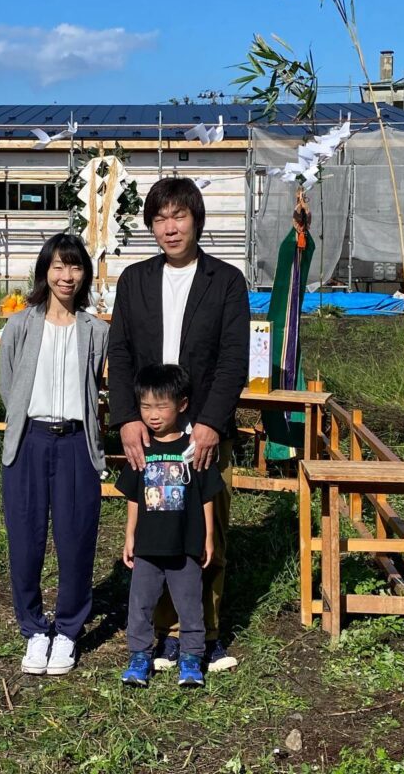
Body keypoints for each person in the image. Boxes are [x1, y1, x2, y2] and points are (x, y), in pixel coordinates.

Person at [108, 176, 250, 672]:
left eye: (179, 216)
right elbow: (120, 354)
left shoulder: (225, 281)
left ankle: (204, 634)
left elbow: (233, 360)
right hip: (152, 431)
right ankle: (164, 634)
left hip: (203, 430)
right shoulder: (135, 281)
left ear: (196, 220)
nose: (170, 228)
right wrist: (127, 419)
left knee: (207, 532)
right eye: (160, 219)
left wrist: (210, 421)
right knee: (157, 528)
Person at [0, 233, 110, 676]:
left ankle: (66, 630)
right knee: (25, 539)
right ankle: (33, 628)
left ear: (85, 274)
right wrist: (26, 424)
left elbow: (98, 386)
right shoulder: (20, 325)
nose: (67, 275)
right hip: (29, 440)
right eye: (58, 266)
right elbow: (9, 386)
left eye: (75, 266)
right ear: (45, 271)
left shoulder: (96, 331)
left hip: (77, 444)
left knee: (76, 537)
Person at [117, 364, 223, 688]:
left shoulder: (194, 449)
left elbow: (207, 496)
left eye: (161, 406)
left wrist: (207, 537)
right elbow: (134, 498)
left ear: (182, 404)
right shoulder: (141, 449)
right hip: (147, 546)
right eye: (146, 406)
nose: (153, 415)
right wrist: (129, 535)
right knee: (140, 604)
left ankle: (191, 658)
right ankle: (139, 656)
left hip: (185, 544)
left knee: (190, 603)